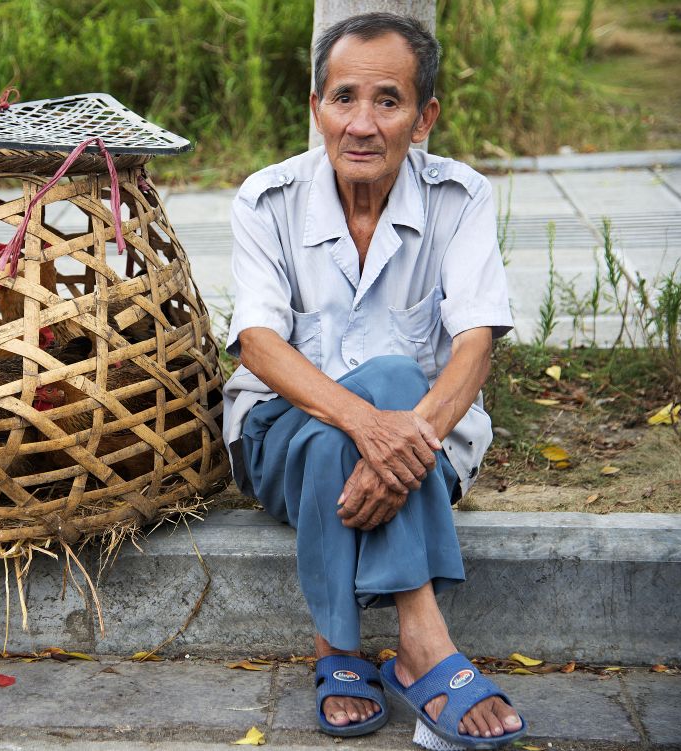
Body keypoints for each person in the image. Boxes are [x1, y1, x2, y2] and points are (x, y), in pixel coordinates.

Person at [222, 12, 527, 748]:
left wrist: (394, 442)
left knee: (367, 410)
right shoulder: (266, 199)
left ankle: (338, 647)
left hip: (424, 443)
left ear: (424, 119)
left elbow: (476, 343)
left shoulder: (461, 197)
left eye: (388, 101)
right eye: (344, 98)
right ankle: (424, 640)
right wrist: (372, 426)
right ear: (316, 108)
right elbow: (258, 344)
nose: (361, 124)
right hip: (277, 441)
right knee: (377, 391)